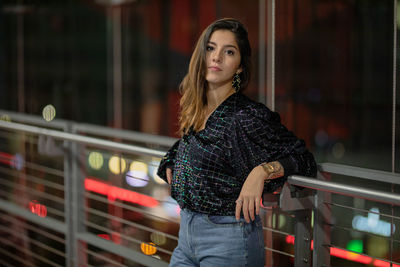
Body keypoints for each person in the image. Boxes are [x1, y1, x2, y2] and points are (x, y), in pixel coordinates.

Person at [157, 18, 317, 267]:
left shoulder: (245, 115)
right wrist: (170, 160)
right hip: (187, 235)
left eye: (228, 52)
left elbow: (303, 157)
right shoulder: (199, 108)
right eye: (210, 48)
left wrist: (262, 171)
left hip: (228, 240)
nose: (216, 58)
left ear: (240, 67)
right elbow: (193, 147)